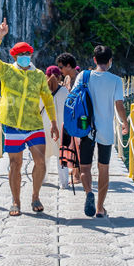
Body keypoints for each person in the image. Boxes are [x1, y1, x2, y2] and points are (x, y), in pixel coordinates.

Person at [0, 17, 59, 217]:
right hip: (12, 125)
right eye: (21, 54)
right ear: (15, 57)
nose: (25, 56)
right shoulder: (7, 71)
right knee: (15, 164)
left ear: (31, 55)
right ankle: (16, 201)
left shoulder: (38, 75)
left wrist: (53, 122)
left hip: (34, 124)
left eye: (27, 53)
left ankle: (35, 196)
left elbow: (48, 98)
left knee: (41, 162)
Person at [72, 43, 128, 218]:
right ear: (110, 61)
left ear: (94, 60)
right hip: (105, 131)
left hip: (85, 128)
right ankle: (99, 208)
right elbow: (119, 105)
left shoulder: (83, 75)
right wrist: (124, 122)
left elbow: (73, 98)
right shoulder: (116, 80)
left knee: (84, 167)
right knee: (104, 169)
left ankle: (89, 191)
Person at [55, 52, 81, 185]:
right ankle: (75, 170)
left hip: (79, 116)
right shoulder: (69, 79)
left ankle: (78, 174)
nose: (60, 70)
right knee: (72, 144)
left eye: (61, 67)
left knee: (79, 144)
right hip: (71, 116)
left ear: (69, 65)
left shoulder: (79, 79)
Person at [42, 65, 69, 187]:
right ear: (59, 77)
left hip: (45, 128)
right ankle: (64, 183)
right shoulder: (64, 91)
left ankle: (42, 180)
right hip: (61, 128)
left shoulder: (41, 92)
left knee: (43, 156)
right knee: (62, 156)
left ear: (45, 76)